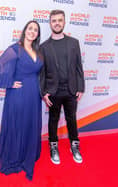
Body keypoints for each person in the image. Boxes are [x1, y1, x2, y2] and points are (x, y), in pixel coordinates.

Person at [0, 20, 43, 180]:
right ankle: (15, 155)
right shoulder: (15, 49)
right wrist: (9, 83)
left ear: (38, 34)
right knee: (18, 124)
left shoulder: (37, 51)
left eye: (35, 30)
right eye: (30, 28)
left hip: (34, 95)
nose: (32, 32)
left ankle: (27, 153)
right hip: (18, 94)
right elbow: (0, 65)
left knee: (30, 124)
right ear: (25, 30)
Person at [40, 10, 85, 165]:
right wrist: (44, 92)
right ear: (50, 23)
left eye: (60, 20)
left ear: (64, 22)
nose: (57, 23)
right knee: (53, 119)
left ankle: (75, 146)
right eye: (54, 20)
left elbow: (79, 67)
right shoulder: (44, 47)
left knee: (71, 119)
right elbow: (42, 73)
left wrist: (81, 87)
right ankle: (53, 146)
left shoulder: (74, 43)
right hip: (53, 92)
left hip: (71, 90)